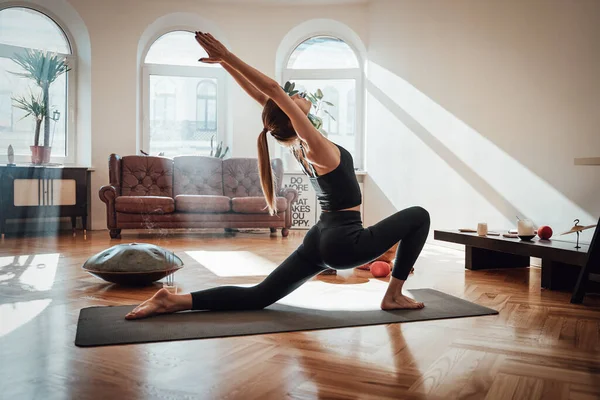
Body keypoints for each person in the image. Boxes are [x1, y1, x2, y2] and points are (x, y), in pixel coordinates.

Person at [125, 32, 430, 320]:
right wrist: (228, 56)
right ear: (292, 117)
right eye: (291, 99)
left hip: (320, 238)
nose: (294, 94)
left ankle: (173, 301)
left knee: (258, 296)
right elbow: (272, 92)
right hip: (344, 242)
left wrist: (226, 65)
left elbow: (265, 100)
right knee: (419, 215)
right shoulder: (314, 145)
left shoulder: (301, 145)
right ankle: (393, 294)